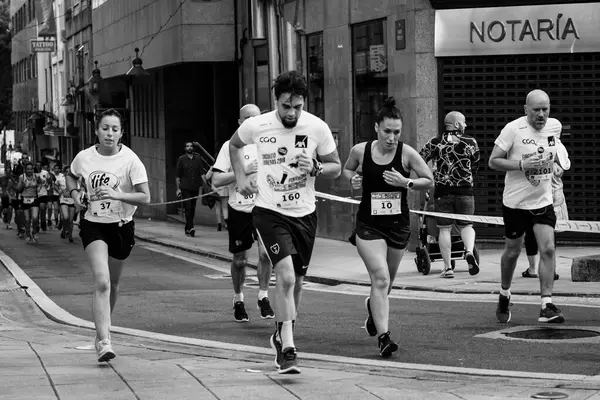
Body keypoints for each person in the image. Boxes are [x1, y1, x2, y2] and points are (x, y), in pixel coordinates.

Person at [230, 71, 341, 374]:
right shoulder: (258, 124)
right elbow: (234, 146)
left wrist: (317, 166)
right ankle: (288, 347)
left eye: (297, 106)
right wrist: (241, 179)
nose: (291, 113)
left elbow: (336, 167)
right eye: (285, 106)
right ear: (275, 101)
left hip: (304, 213)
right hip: (268, 212)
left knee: (298, 282)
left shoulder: (317, 127)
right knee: (287, 278)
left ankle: (282, 330)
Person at [344, 97, 434, 357]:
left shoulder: (406, 153)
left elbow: (428, 180)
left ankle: (374, 308)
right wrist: (354, 180)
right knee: (381, 277)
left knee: (386, 283)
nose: (392, 137)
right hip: (368, 225)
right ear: (376, 128)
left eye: (396, 132)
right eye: (387, 131)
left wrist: (406, 182)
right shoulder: (361, 150)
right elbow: (346, 171)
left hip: (397, 225)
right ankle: (384, 338)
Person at [66, 108, 150, 362]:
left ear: (121, 133)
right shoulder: (84, 157)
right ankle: (104, 341)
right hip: (93, 224)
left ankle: (103, 330)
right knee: (101, 282)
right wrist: (74, 194)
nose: (109, 134)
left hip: (122, 226)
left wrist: (118, 195)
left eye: (114, 129)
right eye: (105, 128)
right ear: (96, 131)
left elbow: (145, 197)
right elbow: (71, 177)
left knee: (113, 284)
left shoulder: (131, 160)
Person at [488, 89, 564, 324]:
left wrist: (557, 166)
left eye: (545, 109)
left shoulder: (555, 126)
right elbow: (493, 161)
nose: (541, 115)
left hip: (542, 201)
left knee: (548, 249)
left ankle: (546, 304)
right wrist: (522, 164)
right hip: (515, 203)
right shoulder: (513, 129)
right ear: (526, 110)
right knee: (512, 251)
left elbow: (555, 153)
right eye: (536, 110)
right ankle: (504, 293)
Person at [212, 104, 275, 322]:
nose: (251, 122)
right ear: (240, 122)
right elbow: (216, 180)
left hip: (264, 207)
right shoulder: (230, 146)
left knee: (266, 254)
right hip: (239, 208)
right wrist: (241, 172)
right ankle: (238, 298)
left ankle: (263, 296)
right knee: (240, 260)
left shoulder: (267, 145)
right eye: (247, 118)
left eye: (255, 118)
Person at [419, 111, 480, 278]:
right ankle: (468, 251)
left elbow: (419, 159)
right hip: (465, 191)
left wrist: (431, 173)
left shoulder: (435, 142)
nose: (465, 125)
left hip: (442, 192)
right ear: (457, 124)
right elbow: (476, 165)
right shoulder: (470, 142)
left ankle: (447, 268)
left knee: (444, 230)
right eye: (464, 122)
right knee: (467, 226)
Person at [522, 131, 570, 280]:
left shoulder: (530, 143)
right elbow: (563, 169)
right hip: (555, 193)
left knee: (530, 230)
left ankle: (533, 268)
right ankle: (551, 269)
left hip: (533, 193)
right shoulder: (558, 145)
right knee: (552, 231)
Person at [175, 141, 205, 237]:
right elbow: (177, 176)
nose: (189, 148)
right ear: (185, 148)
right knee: (187, 207)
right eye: (187, 146)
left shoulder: (198, 158)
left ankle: (187, 227)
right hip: (185, 187)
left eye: (191, 146)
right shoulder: (181, 159)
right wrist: (178, 189)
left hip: (195, 186)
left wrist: (207, 185)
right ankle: (191, 227)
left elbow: (202, 173)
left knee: (192, 208)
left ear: (193, 148)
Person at [16, 162, 42, 243]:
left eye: (31, 169)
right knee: (27, 219)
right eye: (28, 169)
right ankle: (28, 235)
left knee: (35, 217)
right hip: (25, 199)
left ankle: (34, 232)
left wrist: (39, 188)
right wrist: (21, 184)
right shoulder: (22, 177)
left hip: (34, 199)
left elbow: (41, 183)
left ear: (33, 169)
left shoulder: (37, 176)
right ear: (25, 170)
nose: (29, 170)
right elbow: (18, 189)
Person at [54, 163, 77, 242]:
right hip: (63, 201)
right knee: (65, 217)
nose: (67, 173)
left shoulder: (75, 180)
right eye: (66, 171)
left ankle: (70, 235)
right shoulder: (61, 179)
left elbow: (80, 188)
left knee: (70, 220)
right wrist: (59, 191)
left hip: (72, 201)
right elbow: (55, 185)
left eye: (69, 171)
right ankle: (65, 229)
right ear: (64, 172)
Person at [205, 165, 229, 231]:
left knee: (217, 207)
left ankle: (219, 224)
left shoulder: (214, 167)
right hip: (225, 190)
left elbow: (206, 177)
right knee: (225, 208)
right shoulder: (226, 166)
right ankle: (227, 224)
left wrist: (210, 170)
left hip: (216, 190)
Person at [36, 162, 52, 232]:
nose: (38, 167)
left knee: (42, 208)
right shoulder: (33, 174)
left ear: (41, 166)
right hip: (34, 194)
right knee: (36, 210)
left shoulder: (45, 172)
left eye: (39, 165)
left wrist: (47, 184)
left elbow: (50, 180)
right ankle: (36, 224)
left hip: (43, 193)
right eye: (37, 165)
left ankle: (43, 222)